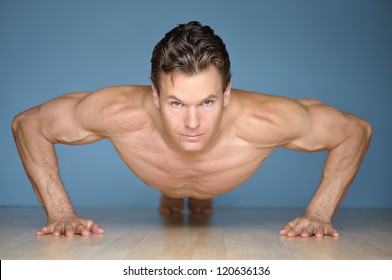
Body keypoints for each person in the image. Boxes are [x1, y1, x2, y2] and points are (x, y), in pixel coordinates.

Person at [12, 21, 372, 238]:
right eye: (176, 103)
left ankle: (192, 194)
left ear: (227, 93)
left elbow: (355, 130)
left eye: (208, 102)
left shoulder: (267, 119)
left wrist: (319, 214)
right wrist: (59, 212)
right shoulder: (117, 110)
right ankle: (176, 192)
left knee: (192, 177)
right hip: (165, 169)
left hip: (215, 168)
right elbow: (28, 125)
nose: (192, 123)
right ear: (155, 95)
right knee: (185, 173)